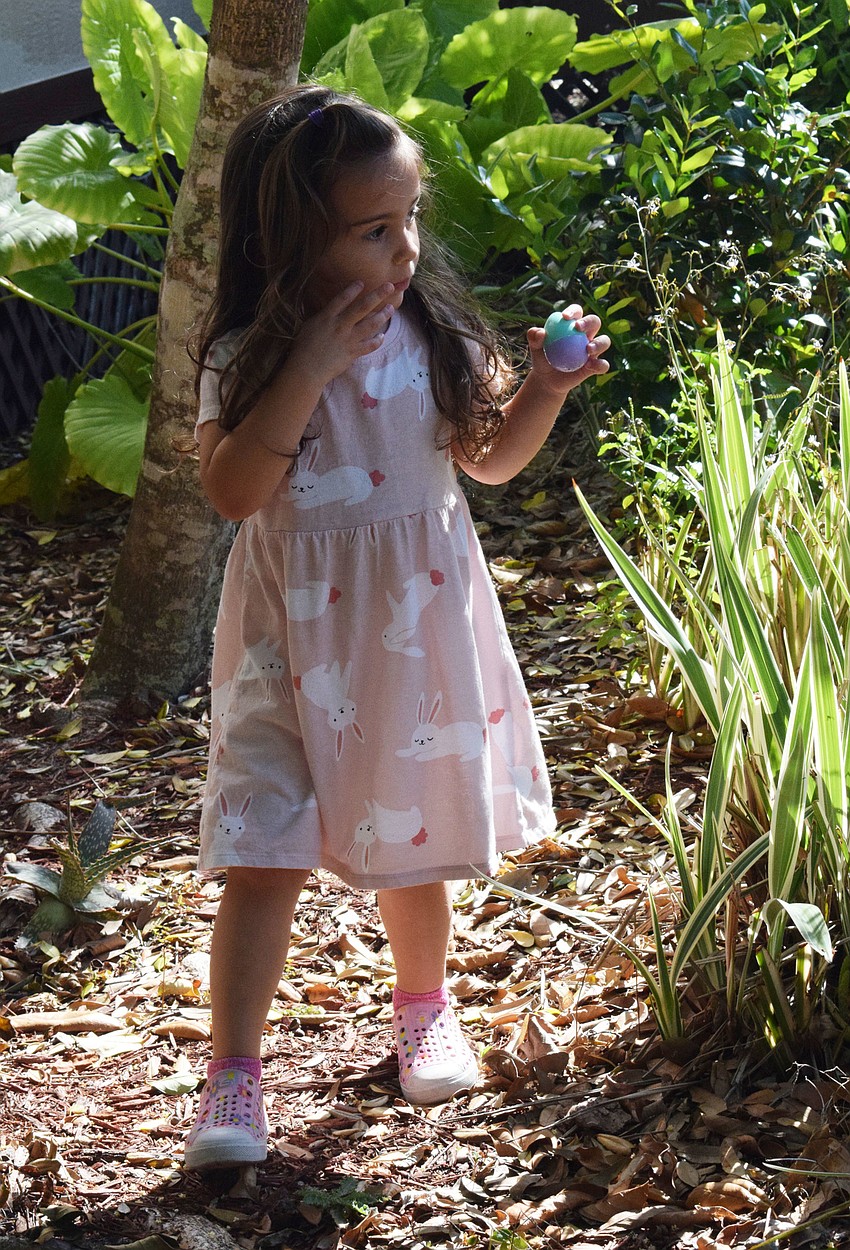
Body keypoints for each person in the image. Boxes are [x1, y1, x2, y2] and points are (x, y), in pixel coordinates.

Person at [184, 83, 609, 1171]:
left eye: (409, 216)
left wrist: (549, 388)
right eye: (374, 229)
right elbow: (233, 491)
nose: (406, 246)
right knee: (263, 845)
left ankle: (423, 1005)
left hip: (409, 628)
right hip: (289, 640)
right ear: (289, 238)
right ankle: (234, 1072)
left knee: (413, 828)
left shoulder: (431, 335)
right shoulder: (245, 354)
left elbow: (491, 460)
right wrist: (312, 365)